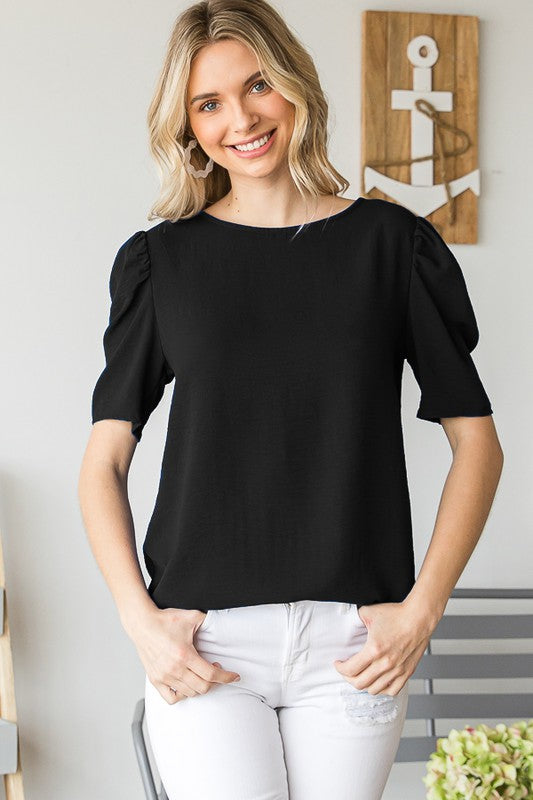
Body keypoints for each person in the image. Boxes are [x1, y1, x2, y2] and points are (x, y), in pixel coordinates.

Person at [78, 1, 504, 797]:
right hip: (206, 645)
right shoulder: (161, 263)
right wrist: (142, 625)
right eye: (208, 103)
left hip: (353, 643)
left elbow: (477, 443)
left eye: (257, 85)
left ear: (295, 85)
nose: (240, 119)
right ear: (187, 125)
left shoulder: (393, 247)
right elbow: (103, 462)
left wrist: (421, 611)